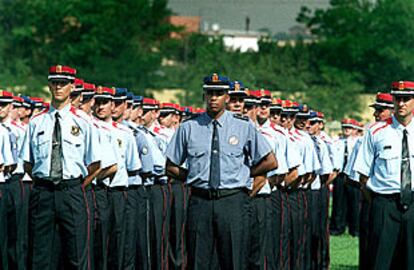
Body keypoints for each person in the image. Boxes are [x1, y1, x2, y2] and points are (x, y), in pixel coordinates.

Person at [165, 73, 277, 269]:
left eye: (218, 94)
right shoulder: (189, 127)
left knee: (234, 260)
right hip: (200, 201)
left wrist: (244, 173)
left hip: (232, 201)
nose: (213, 98)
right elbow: (171, 165)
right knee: (198, 260)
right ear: (204, 96)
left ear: (227, 97)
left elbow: (270, 161)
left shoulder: (243, 126)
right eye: (210, 93)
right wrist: (193, 177)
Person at [20, 65, 101, 269]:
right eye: (54, 82)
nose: (58, 87)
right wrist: (43, 181)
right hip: (43, 192)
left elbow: (95, 164)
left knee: (76, 254)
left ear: (72, 87)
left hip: (72, 191)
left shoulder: (83, 122)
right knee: (40, 255)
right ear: (48, 85)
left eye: (63, 83)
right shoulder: (36, 122)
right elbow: (28, 162)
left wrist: (77, 185)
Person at [354, 81, 414, 269]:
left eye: (406, 99)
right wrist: (379, 202)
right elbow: (363, 176)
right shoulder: (376, 132)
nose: (401, 103)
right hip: (384, 204)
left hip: (413, 205)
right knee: (380, 262)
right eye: (398, 99)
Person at [330, 118, 359, 235]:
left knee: (355, 203)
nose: (347, 130)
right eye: (345, 127)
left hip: (353, 175)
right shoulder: (337, 142)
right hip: (340, 175)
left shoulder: (358, 142)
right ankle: (337, 227)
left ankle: (355, 228)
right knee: (338, 202)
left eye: (350, 128)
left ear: (355, 130)